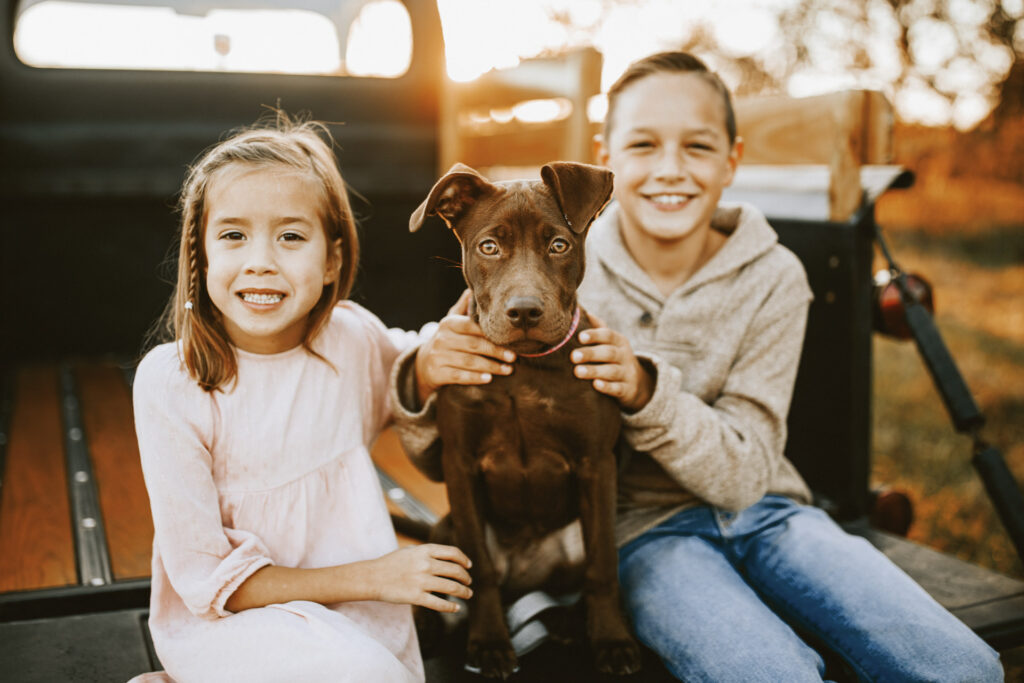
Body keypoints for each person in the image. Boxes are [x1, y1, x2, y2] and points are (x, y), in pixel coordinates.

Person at [389, 52, 1003, 681]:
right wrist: (422, 371)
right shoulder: (543, 274)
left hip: (772, 512)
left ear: (731, 161)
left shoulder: (773, 277)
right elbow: (444, 437)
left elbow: (746, 472)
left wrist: (645, 390)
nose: (670, 169)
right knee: (768, 675)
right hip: (646, 534)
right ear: (606, 158)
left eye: (698, 146)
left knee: (963, 669)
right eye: (644, 144)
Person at [130, 117, 473, 683]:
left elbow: (418, 360)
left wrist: (457, 340)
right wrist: (380, 576)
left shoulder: (352, 339)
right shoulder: (172, 381)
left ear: (332, 261)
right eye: (233, 236)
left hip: (358, 615)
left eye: (291, 237)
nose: (260, 261)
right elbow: (210, 585)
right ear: (201, 256)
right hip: (233, 623)